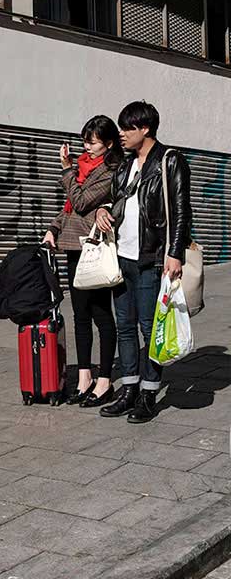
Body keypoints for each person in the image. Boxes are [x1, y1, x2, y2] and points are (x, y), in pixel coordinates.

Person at [95, 101, 193, 423]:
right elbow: (114, 200)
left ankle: (148, 394)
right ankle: (129, 390)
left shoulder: (169, 161)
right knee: (125, 327)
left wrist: (174, 253)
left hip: (152, 258)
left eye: (128, 128)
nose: (121, 134)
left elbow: (181, 210)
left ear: (145, 128)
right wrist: (102, 211)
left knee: (150, 329)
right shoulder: (125, 166)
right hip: (121, 258)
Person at [43, 116, 121, 408]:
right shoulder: (82, 167)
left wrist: (66, 169)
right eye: (84, 141)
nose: (86, 147)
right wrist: (53, 229)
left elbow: (81, 202)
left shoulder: (110, 171)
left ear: (108, 143)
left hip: (95, 248)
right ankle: (85, 377)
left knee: (102, 314)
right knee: (80, 314)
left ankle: (105, 380)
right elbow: (69, 209)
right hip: (74, 247)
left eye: (92, 142)